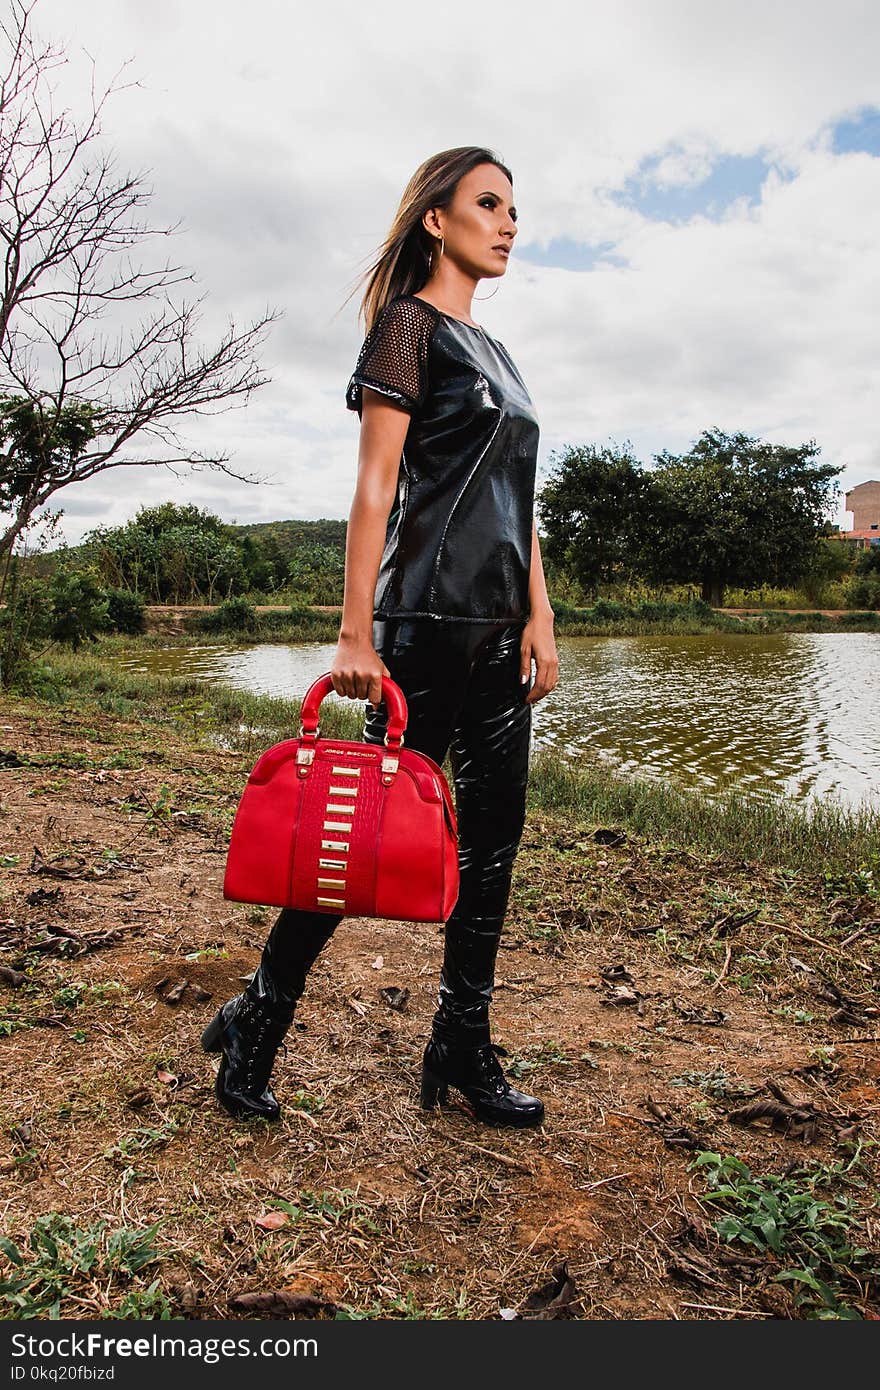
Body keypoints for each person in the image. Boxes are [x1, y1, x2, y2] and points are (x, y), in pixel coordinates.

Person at [202, 146, 559, 1128]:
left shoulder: (502, 355)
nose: (508, 221)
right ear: (437, 220)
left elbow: (516, 505)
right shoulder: (408, 328)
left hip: (497, 627)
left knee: (491, 843)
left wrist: (542, 616)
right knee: (361, 835)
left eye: (515, 208)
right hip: (424, 620)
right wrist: (354, 628)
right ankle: (256, 1019)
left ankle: (460, 1046)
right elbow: (373, 486)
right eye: (489, 203)